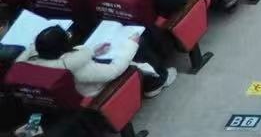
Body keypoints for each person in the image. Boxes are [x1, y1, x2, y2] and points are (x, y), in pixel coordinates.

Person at [25, 25, 173, 99]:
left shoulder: (39, 62)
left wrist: (93, 52)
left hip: (83, 86)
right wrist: (132, 44)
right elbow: (115, 71)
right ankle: (157, 82)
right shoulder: (75, 68)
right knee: (139, 45)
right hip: (97, 91)